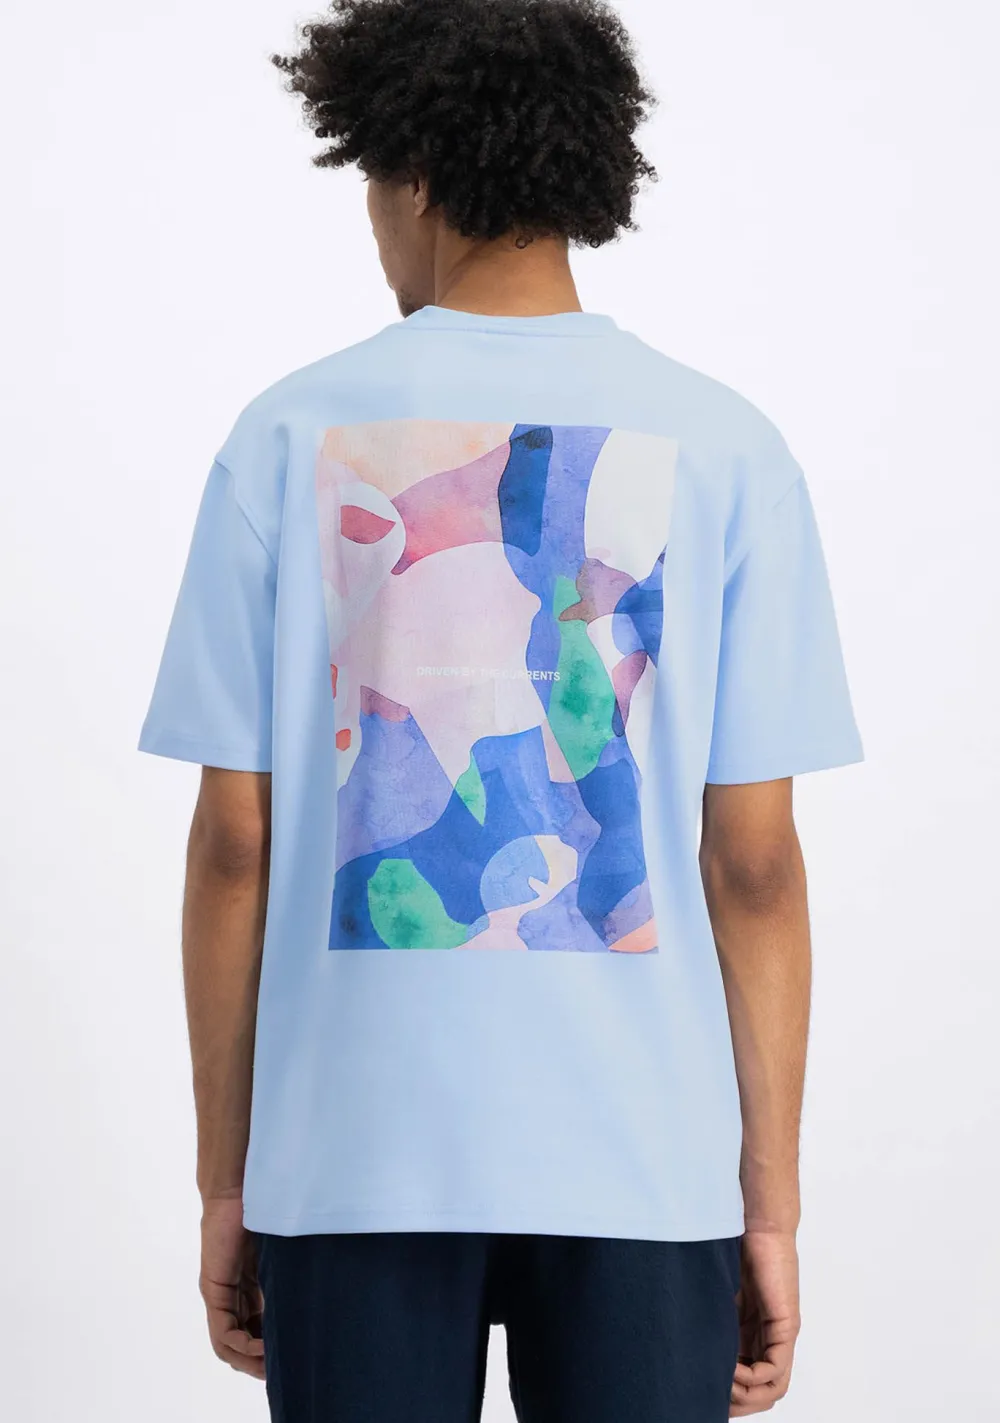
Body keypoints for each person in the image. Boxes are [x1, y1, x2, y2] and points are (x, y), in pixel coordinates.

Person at [139, 1, 863, 1418]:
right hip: (645, 1163)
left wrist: (231, 1178)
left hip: (351, 1158)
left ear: (411, 175)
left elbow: (235, 844)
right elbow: (756, 867)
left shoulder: (285, 433)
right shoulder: (730, 448)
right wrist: (767, 1204)